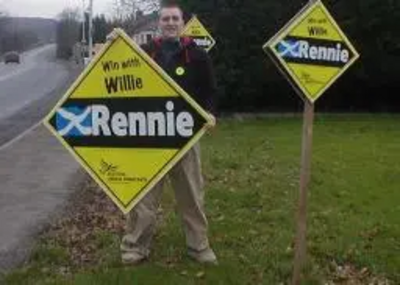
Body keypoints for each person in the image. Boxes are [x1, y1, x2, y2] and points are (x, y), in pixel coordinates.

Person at [120, 2, 218, 265]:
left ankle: (199, 247)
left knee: (192, 196)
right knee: (144, 198)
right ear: (159, 23)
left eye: (175, 18)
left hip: (186, 138)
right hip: (150, 138)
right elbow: (124, 82)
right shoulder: (143, 53)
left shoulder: (198, 55)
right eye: (166, 19)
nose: (171, 22)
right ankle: (135, 246)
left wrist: (210, 113)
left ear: (183, 22)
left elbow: (210, 92)